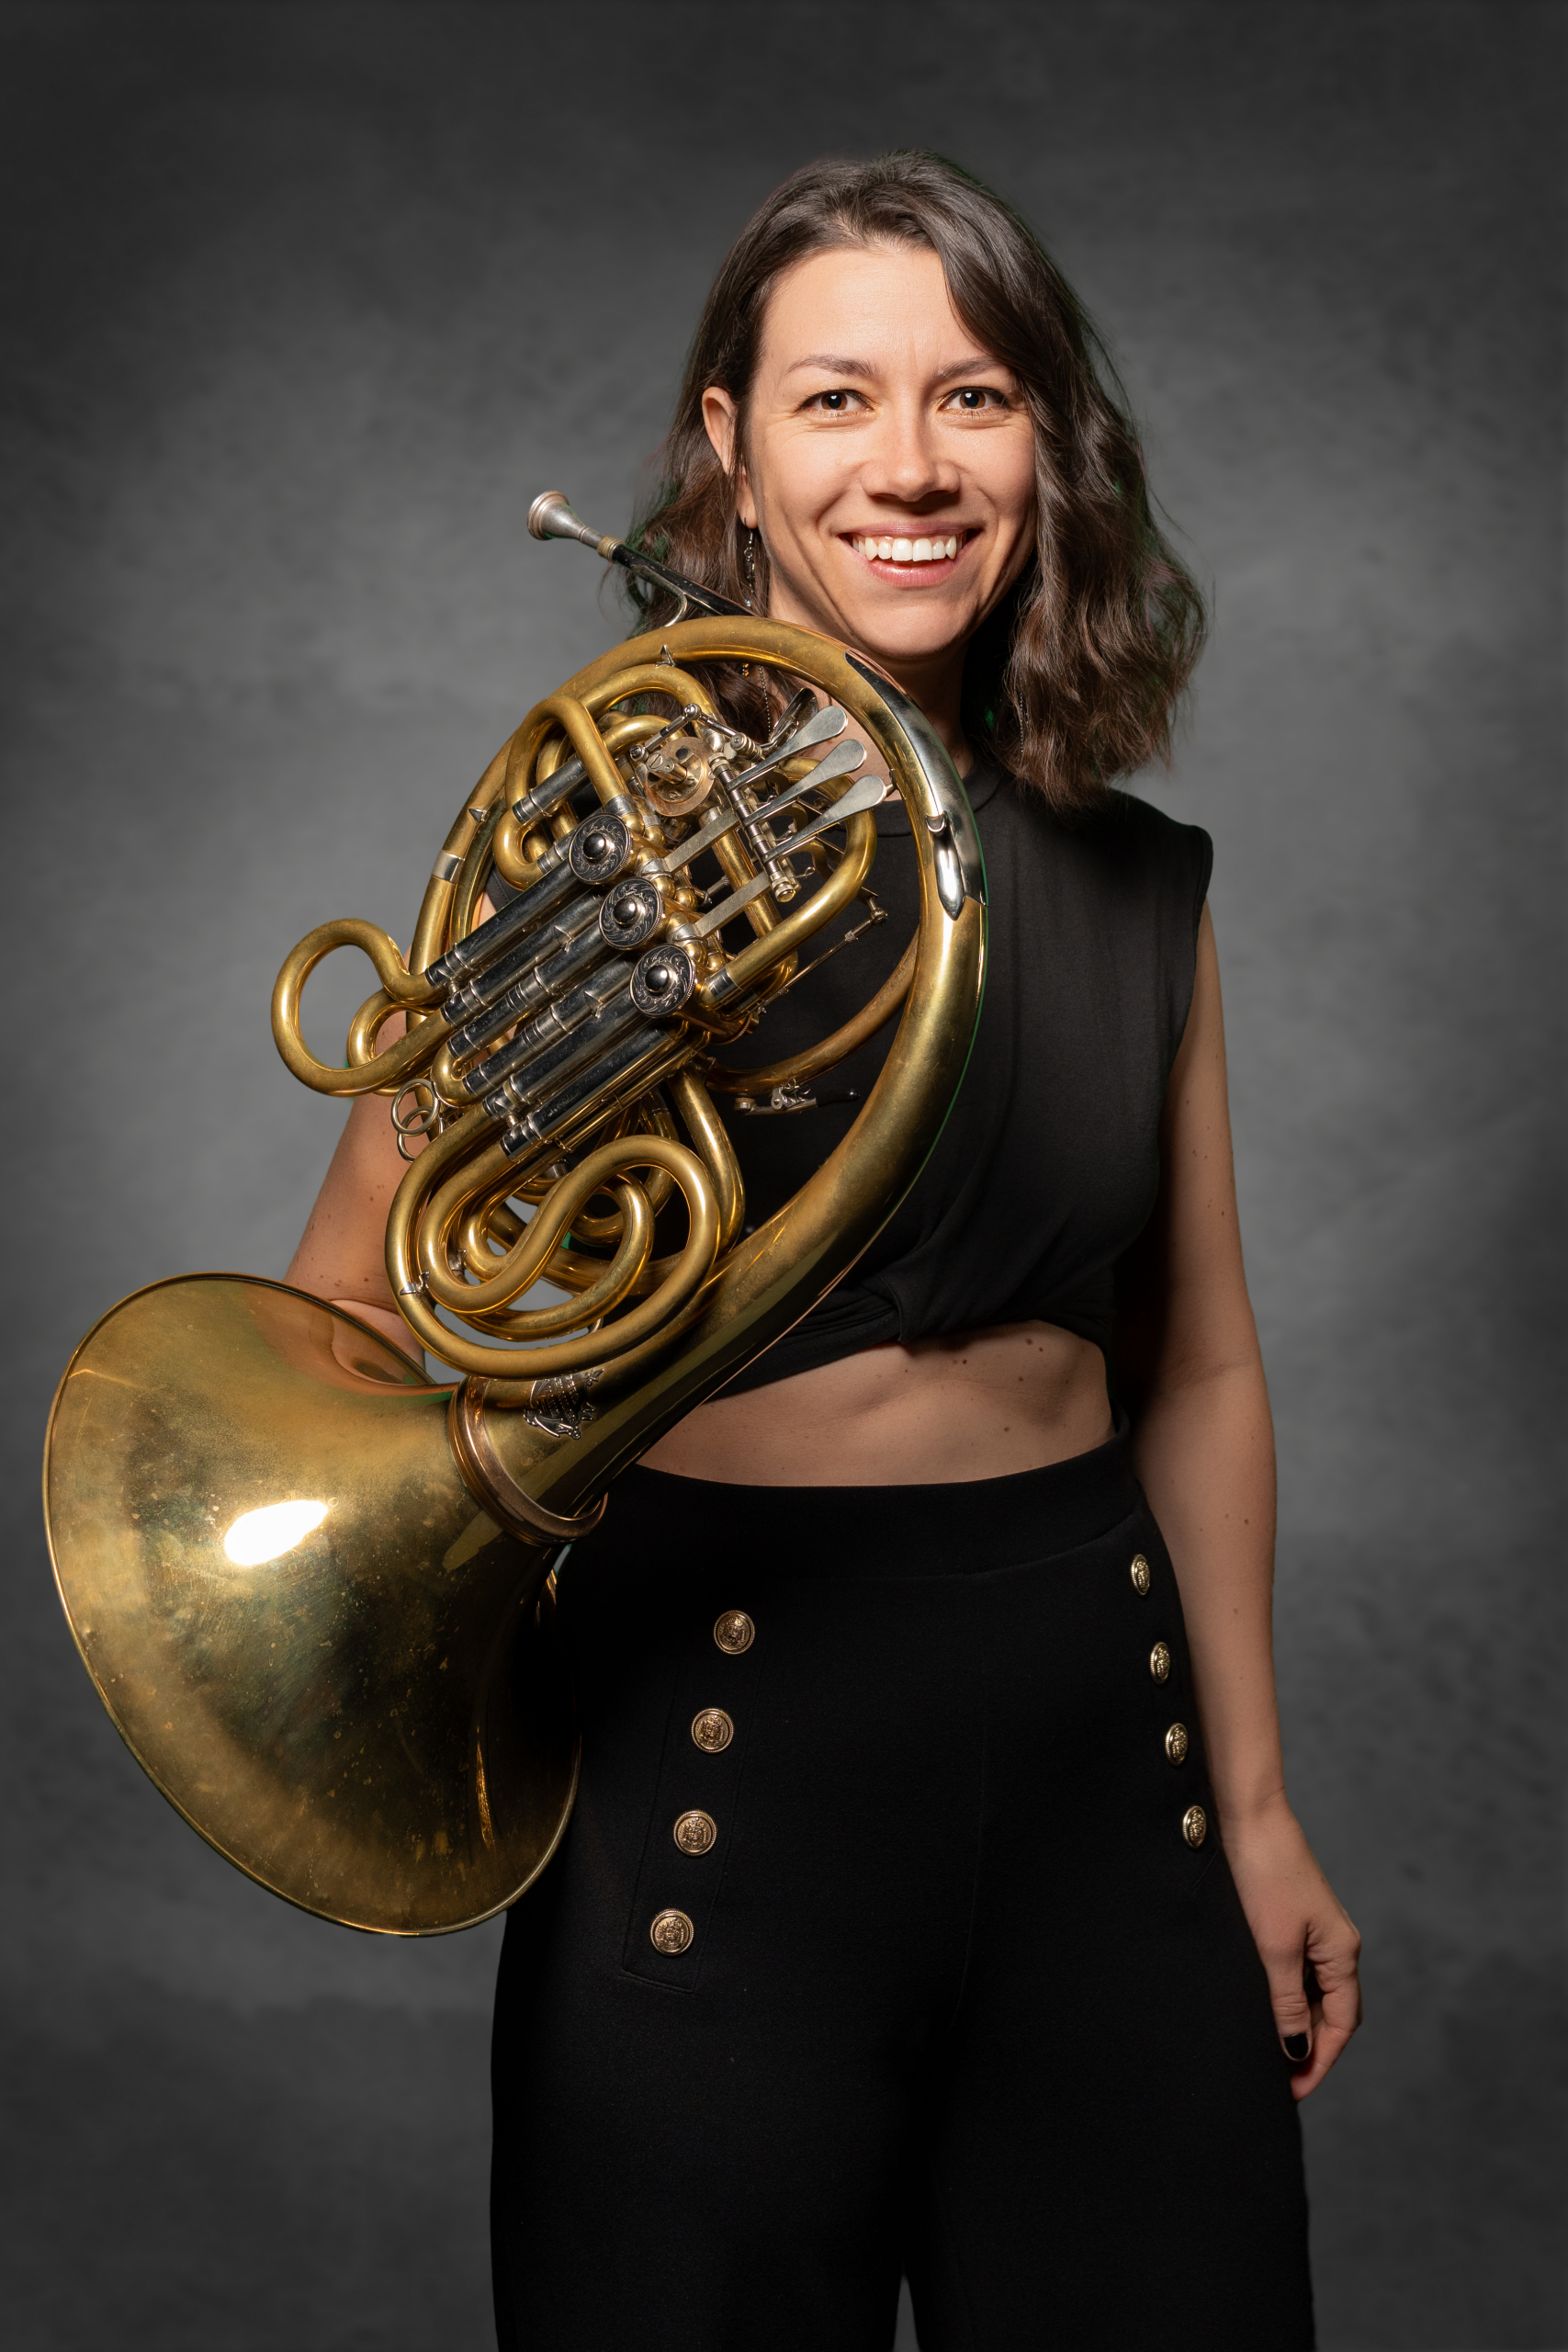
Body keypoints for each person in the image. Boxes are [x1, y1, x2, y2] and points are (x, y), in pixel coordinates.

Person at [288, 153, 1360, 2350]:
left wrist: (1250, 1810)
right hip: (713, 1730)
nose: (909, 467)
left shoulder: (1136, 883)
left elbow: (1194, 1362)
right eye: (834, 399)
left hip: (1100, 1744)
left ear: (1043, 444)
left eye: (972, 397)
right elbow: (349, 1318)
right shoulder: (606, 847)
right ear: (731, 449)